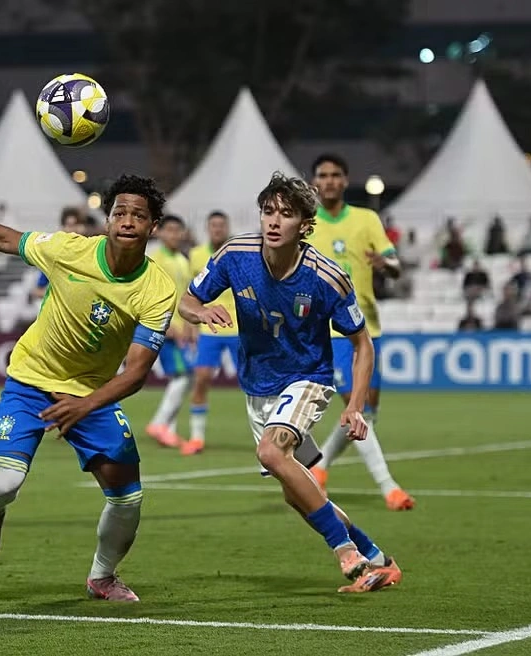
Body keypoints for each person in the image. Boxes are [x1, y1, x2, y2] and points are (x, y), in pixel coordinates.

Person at [0, 175, 177, 602]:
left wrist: (84, 404)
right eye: (120, 213)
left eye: (139, 215)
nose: (127, 221)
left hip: (90, 394)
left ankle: (102, 577)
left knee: (128, 497)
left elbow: (136, 373)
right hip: (30, 381)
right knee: (3, 484)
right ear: (108, 220)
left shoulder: (158, 289)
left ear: (152, 227)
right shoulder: (70, 250)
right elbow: (4, 238)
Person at [179, 172, 402, 593]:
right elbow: (188, 300)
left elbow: (362, 344)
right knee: (295, 494)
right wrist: (199, 313)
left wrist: (353, 406)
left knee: (270, 451)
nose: (274, 221)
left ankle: (348, 556)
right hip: (257, 386)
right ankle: (377, 557)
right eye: (268, 212)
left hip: (307, 379)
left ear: (305, 224)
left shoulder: (326, 276)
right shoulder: (234, 256)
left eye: (286, 214)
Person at [307, 154, 414, 511]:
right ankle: (389, 488)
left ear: (346, 179)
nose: (330, 181)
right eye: (323, 175)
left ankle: (319, 467)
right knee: (358, 407)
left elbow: (396, 265)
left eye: (336, 174)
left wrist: (387, 265)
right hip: (329, 331)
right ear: (315, 182)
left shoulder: (366, 219)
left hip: (367, 326)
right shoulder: (307, 225)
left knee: (368, 410)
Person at [179, 211, 239, 456]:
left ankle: (266, 436)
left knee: (253, 383)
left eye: (221, 225)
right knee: (201, 378)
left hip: (238, 327)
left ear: (227, 228)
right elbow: (191, 294)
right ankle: (196, 438)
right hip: (209, 329)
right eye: (213, 225)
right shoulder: (196, 255)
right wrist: (190, 325)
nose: (217, 229)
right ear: (207, 228)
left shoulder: (237, 254)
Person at [145, 215, 193, 447]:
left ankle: (168, 430)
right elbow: (151, 295)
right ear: (159, 232)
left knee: (181, 376)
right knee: (184, 375)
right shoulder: (155, 260)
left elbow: (185, 296)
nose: (174, 235)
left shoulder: (183, 261)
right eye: (170, 230)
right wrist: (167, 323)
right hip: (163, 327)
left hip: (179, 329)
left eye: (178, 230)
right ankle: (160, 423)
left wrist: (189, 325)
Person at [31, 206, 88, 301]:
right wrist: (63, 293)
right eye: (69, 225)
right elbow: (38, 291)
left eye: (75, 225)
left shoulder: (91, 254)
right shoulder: (52, 256)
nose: (72, 230)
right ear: (62, 228)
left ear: (82, 228)